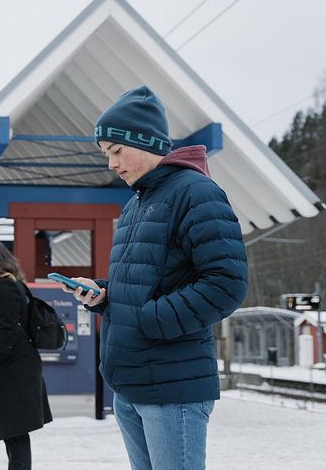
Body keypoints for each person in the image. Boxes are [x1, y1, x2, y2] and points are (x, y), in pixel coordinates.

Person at [61, 86, 248, 470]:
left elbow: (226, 283)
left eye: (115, 151)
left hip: (171, 386)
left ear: (145, 142)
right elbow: (147, 281)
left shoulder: (197, 193)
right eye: (106, 155)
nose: (111, 164)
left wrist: (150, 319)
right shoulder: (136, 205)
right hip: (131, 383)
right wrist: (105, 294)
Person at [0, 240, 52, 470]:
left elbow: (10, 327)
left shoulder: (4, 285)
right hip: (12, 367)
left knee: (15, 432)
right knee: (12, 431)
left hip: (14, 369)